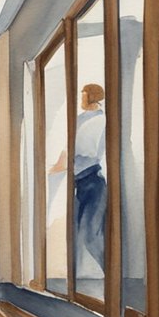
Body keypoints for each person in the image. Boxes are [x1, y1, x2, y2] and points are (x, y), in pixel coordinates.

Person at [49, 83, 107, 274]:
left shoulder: (101, 121)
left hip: (93, 182)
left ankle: (113, 276)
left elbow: (84, 152)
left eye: (83, 96)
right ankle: (74, 284)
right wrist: (53, 168)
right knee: (73, 236)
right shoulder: (79, 119)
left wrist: (58, 167)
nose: (81, 100)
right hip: (77, 183)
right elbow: (67, 151)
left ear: (92, 98)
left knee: (91, 235)